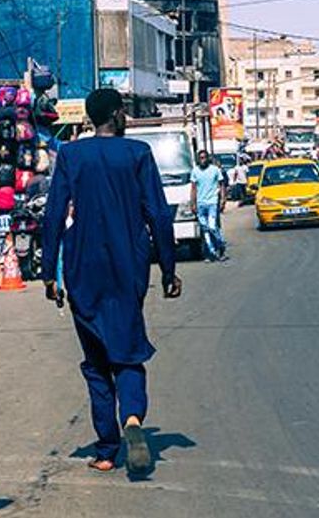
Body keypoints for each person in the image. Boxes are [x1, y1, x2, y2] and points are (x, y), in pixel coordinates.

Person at [41, 89, 182, 476]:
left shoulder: (71, 155)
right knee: (129, 351)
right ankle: (133, 419)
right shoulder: (137, 154)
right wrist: (168, 269)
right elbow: (157, 214)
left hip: (83, 269)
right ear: (117, 115)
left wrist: (48, 273)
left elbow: (54, 214)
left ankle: (106, 450)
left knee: (97, 361)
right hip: (128, 269)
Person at [190, 150, 228, 262]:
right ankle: (211, 253)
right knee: (205, 229)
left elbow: (222, 185)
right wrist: (193, 203)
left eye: (204, 157)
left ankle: (221, 245)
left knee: (212, 226)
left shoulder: (215, 170)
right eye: (200, 158)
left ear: (208, 158)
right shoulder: (195, 171)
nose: (202, 160)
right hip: (201, 204)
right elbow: (193, 188)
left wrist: (223, 199)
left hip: (212, 202)